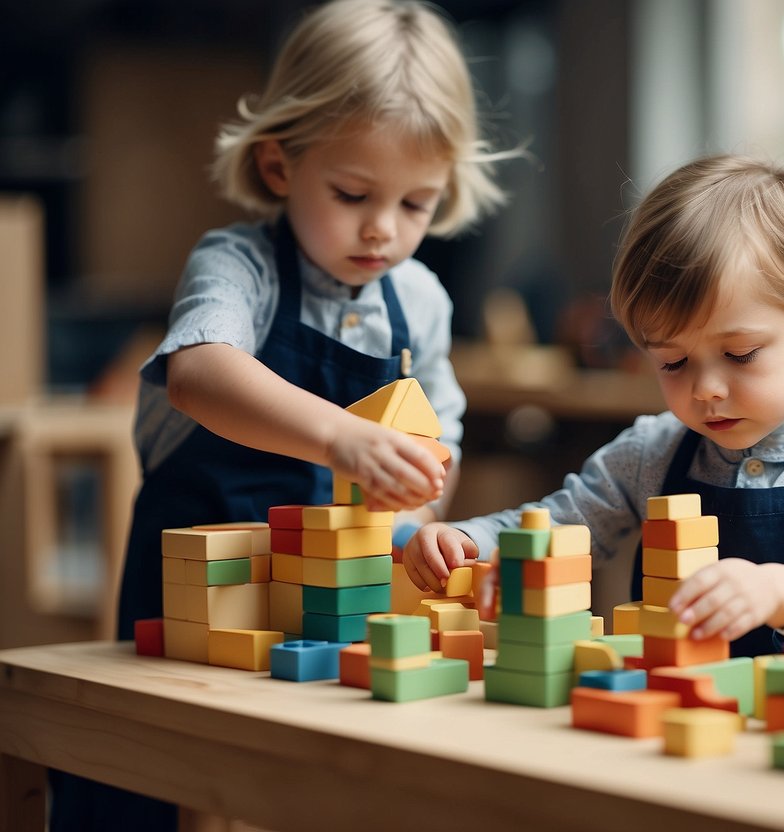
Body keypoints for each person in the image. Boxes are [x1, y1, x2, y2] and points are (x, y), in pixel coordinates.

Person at [54, 2, 510, 828]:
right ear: (277, 167)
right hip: (197, 582)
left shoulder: (421, 301)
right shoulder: (237, 265)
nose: (383, 229)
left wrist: (418, 522)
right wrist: (341, 435)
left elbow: (432, 445)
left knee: (312, 779)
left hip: (333, 594)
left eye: (416, 204)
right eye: (352, 193)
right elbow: (198, 375)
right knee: (144, 774)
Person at [404, 154, 784, 657]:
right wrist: (468, 541)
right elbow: (560, 526)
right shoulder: (652, 452)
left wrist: (782, 590)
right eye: (674, 363)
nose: (706, 388)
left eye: (740, 354)